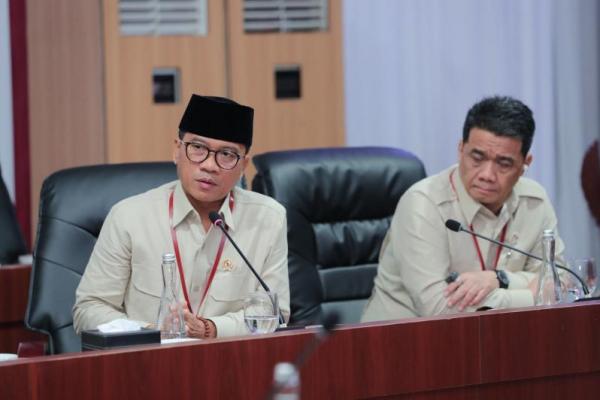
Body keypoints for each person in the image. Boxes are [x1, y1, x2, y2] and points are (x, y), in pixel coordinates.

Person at [74, 94, 290, 338]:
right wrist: (152, 332)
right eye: (198, 148)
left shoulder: (269, 219)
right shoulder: (128, 217)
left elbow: (276, 314)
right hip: (148, 365)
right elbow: (88, 310)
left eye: (227, 155)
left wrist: (209, 328)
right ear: (177, 150)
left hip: (232, 364)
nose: (210, 165)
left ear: (244, 166)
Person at [361, 95, 565, 322]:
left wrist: (498, 279)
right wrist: (530, 294)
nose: (487, 175)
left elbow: (562, 284)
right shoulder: (423, 204)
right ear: (461, 149)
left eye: (503, 164)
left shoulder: (534, 201)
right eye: (477, 158)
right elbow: (439, 308)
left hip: (493, 340)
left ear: (525, 163)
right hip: (401, 345)